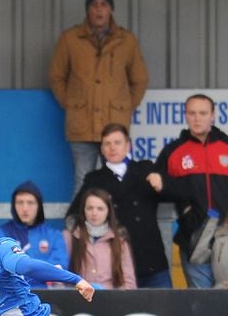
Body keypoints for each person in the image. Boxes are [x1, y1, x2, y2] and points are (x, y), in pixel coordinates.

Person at [49, 0, 148, 196]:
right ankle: (77, 227)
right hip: (81, 126)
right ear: (88, 10)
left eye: (104, 4)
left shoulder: (126, 41)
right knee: (82, 179)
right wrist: (71, 103)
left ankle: (119, 227)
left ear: (111, 9)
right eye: (94, 5)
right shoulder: (70, 39)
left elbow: (139, 80)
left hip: (114, 125)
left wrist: (126, 108)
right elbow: (56, 76)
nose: (99, 10)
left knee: (118, 178)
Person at [66, 123, 170, 288]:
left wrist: (162, 184)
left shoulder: (145, 169)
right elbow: (73, 216)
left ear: (128, 145)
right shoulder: (94, 179)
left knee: (164, 312)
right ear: (101, 148)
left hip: (152, 261)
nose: (112, 148)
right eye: (107, 143)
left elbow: (171, 194)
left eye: (117, 142)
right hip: (115, 266)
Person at [151, 93, 228, 288]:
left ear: (212, 115)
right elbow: (157, 190)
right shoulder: (172, 152)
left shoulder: (226, 146)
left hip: (226, 238)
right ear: (185, 115)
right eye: (192, 113)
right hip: (194, 239)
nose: (197, 118)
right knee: (201, 305)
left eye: (203, 113)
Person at [0, 181, 69, 281]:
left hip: (47, 294)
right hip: (13, 294)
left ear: (39, 206)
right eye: (20, 202)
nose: (25, 208)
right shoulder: (1, 234)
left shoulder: (54, 236)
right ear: (13, 205)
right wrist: (41, 272)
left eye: (30, 203)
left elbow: (59, 268)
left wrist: (23, 272)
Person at [65, 188, 136, 289]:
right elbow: (59, 276)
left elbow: (129, 282)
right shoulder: (69, 237)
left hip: (110, 300)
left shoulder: (120, 242)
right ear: (83, 210)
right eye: (90, 208)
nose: (94, 213)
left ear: (108, 212)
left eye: (100, 208)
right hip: (77, 298)